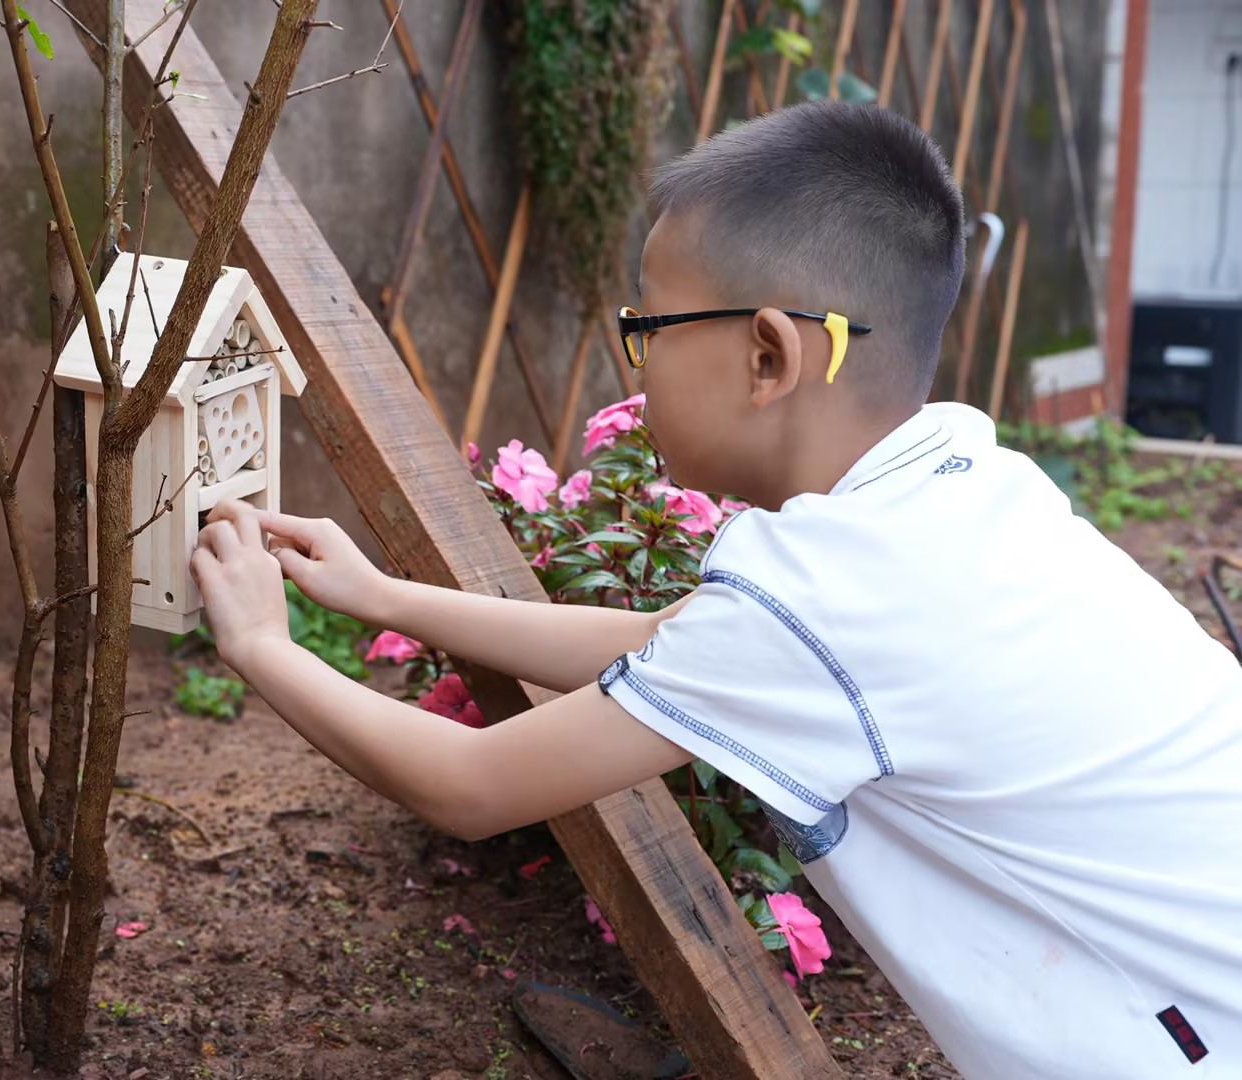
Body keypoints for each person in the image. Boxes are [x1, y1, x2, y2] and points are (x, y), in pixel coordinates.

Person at [189, 101, 1242, 1079]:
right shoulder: (957, 486)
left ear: (767, 353)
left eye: (646, 331)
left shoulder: (830, 593)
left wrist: (264, 649)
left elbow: (473, 787)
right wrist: (387, 596)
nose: (635, 370)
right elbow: (664, 638)